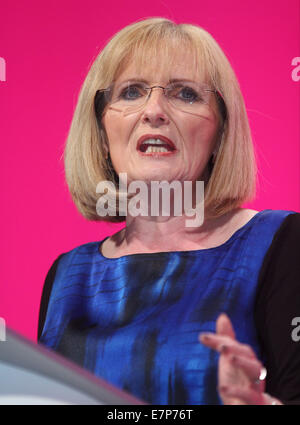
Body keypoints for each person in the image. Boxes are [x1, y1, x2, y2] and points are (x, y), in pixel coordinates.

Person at [38, 17, 300, 405]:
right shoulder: (66, 277)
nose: (154, 110)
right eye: (131, 92)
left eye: (185, 94)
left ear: (220, 134)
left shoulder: (282, 244)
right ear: (101, 128)